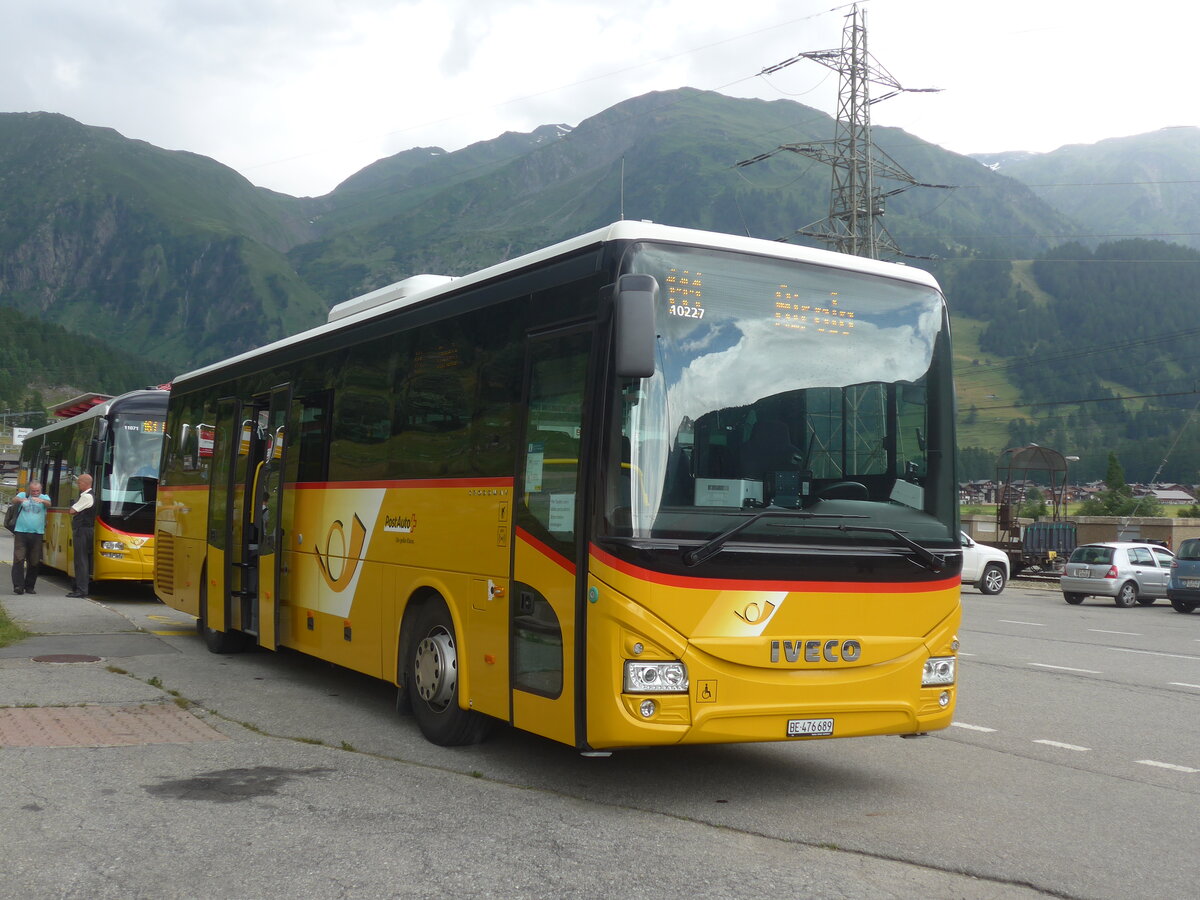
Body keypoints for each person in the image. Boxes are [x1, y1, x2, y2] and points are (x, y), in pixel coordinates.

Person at [10, 480, 51, 595]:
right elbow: (14, 500)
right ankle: (18, 586)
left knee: (34, 560)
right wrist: (20, 499)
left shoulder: (44, 497)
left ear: (41, 490)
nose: (35, 493)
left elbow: (49, 504)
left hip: (37, 533)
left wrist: (42, 500)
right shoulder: (23, 495)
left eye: (37, 491)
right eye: (33, 491)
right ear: (29, 490)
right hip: (21, 532)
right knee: (18, 558)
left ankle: (29, 586)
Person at [66, 473, 96, 598]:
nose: (78, 485)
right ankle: (81, 587)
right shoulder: (89, 496)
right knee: (83, 560)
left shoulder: (86, 497)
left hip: (82, 531)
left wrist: (73, 505)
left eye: (79, 483)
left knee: (81, 560)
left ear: (85, 483)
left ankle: (81, 589)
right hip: (87, 530)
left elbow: (72, 511)